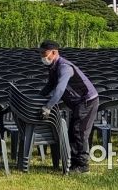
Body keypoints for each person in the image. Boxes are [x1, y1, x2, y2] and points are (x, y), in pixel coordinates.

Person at [38, 40, 99, 174]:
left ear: (54, 52)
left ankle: (83, 166)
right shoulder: (53, 67)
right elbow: (50, 85)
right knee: (73, 131)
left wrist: (48, 107)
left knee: (79, 132)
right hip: (78, 103)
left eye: (44, 53)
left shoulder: (64, 67)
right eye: (40, 53)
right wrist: (37, 98)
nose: (42, 56)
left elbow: (59, 90)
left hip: (87, 101)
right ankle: (74, 164)